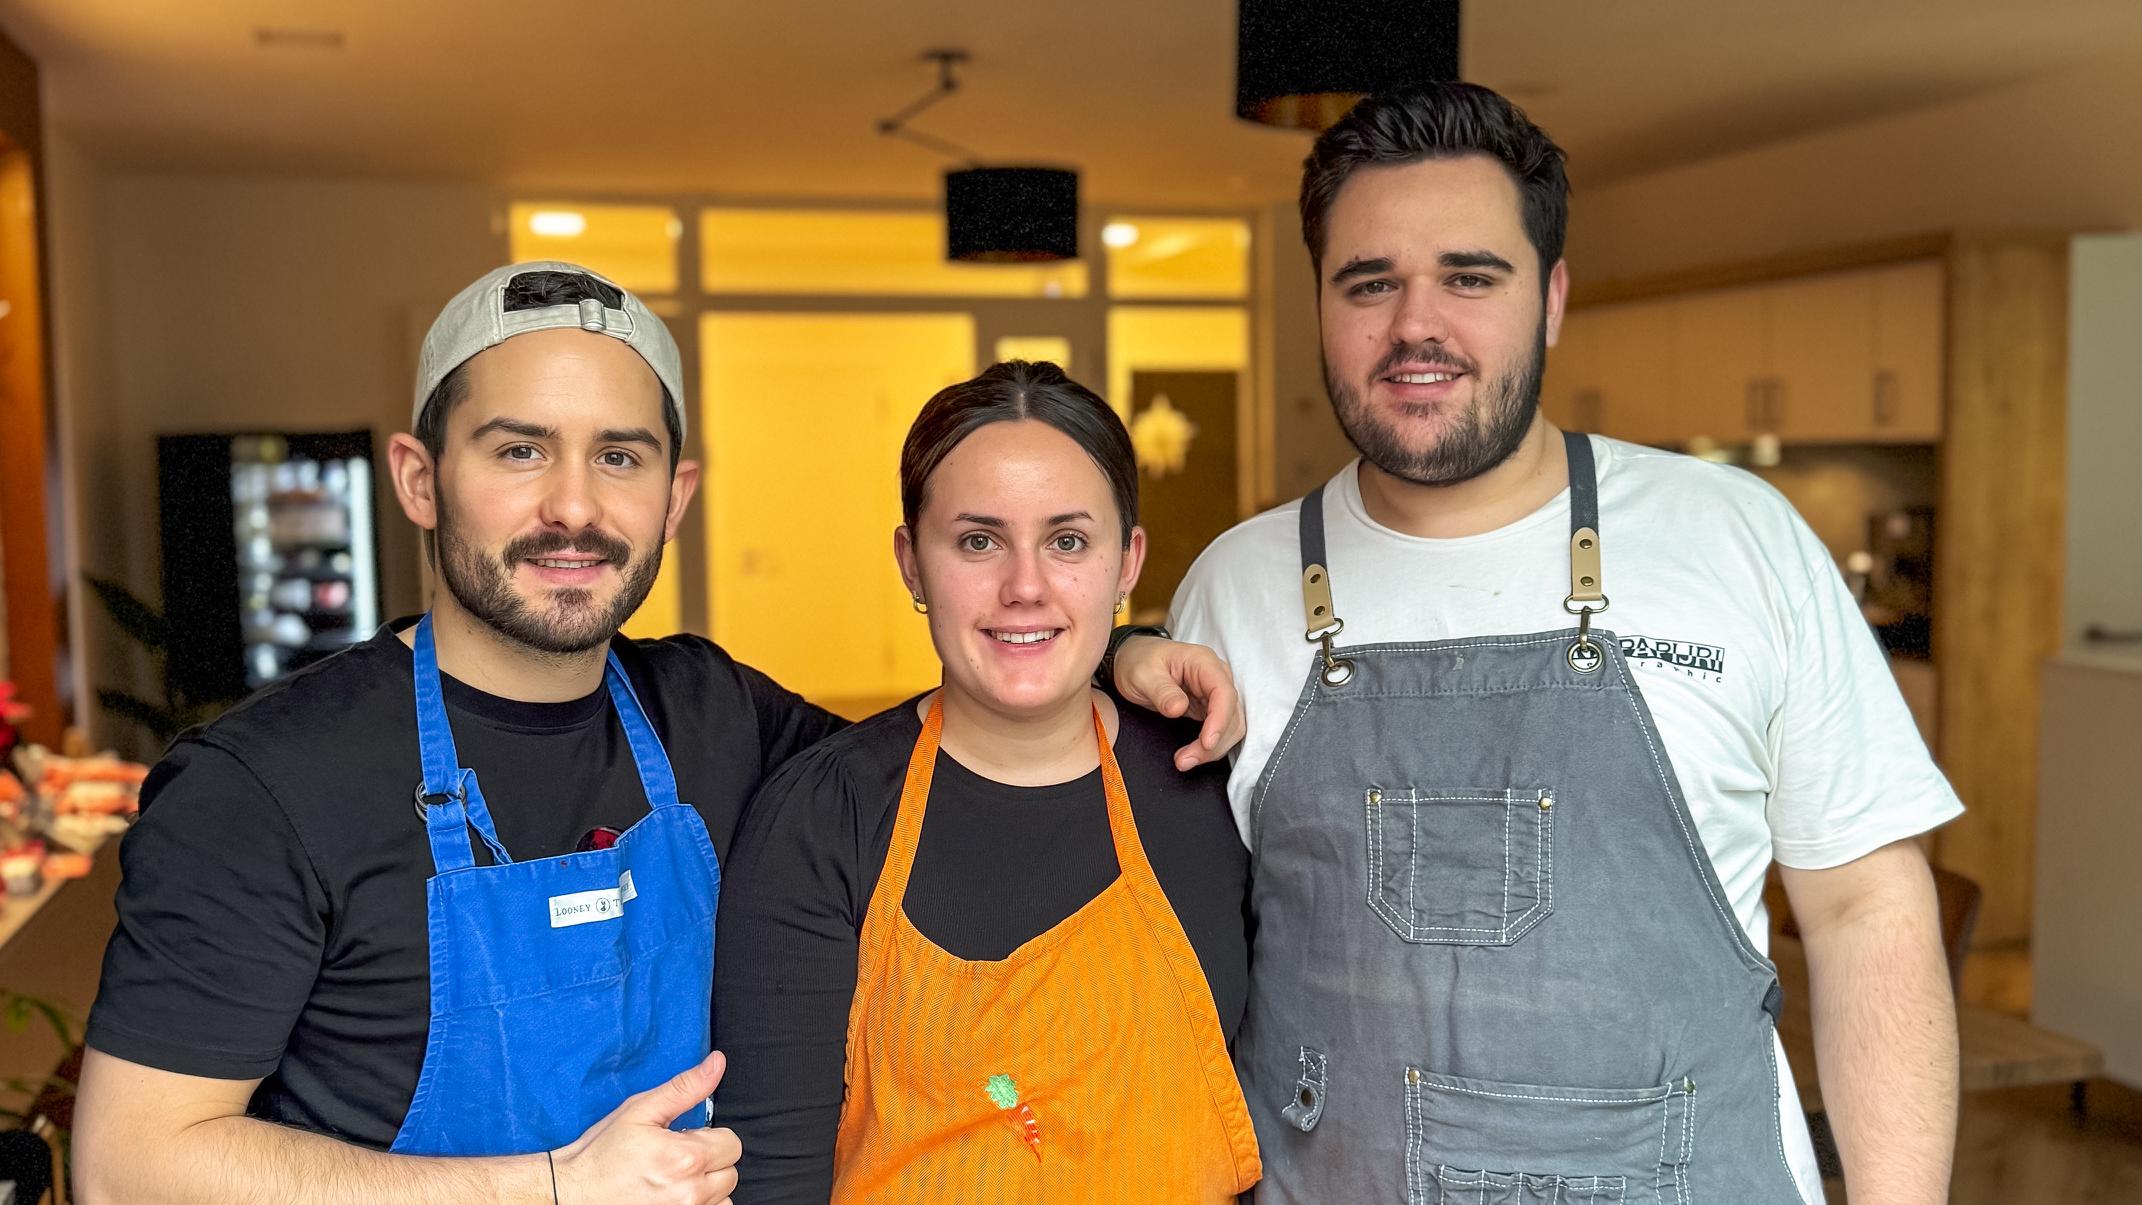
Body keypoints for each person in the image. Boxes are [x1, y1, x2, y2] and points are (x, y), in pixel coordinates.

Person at [73, 265, 1242, 1204]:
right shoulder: (267, 782)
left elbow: (968, 729)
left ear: (674, 498)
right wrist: (544, 1187)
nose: (574, 505)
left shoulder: (711, 713)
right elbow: (132, 1164)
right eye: (519, 449)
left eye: (618, 456)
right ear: (420, 479)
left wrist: (1117, 652)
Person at [1169, 87, 1962, 1204]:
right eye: (1369, 282)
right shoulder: (1234, 586)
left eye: (1470, 276)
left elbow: (1866, 906)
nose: (1415, 326)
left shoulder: (1737, 539)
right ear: (1320, 306)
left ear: (1550, 299)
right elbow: (1169, 948)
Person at [713, 361, 1262, 1203]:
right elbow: (772, 1182)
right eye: (978, 540)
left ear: (1127, 564)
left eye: (1068, 541)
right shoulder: (825, 817)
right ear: (911, 563)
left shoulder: (1205, 775)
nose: (1026, 586)